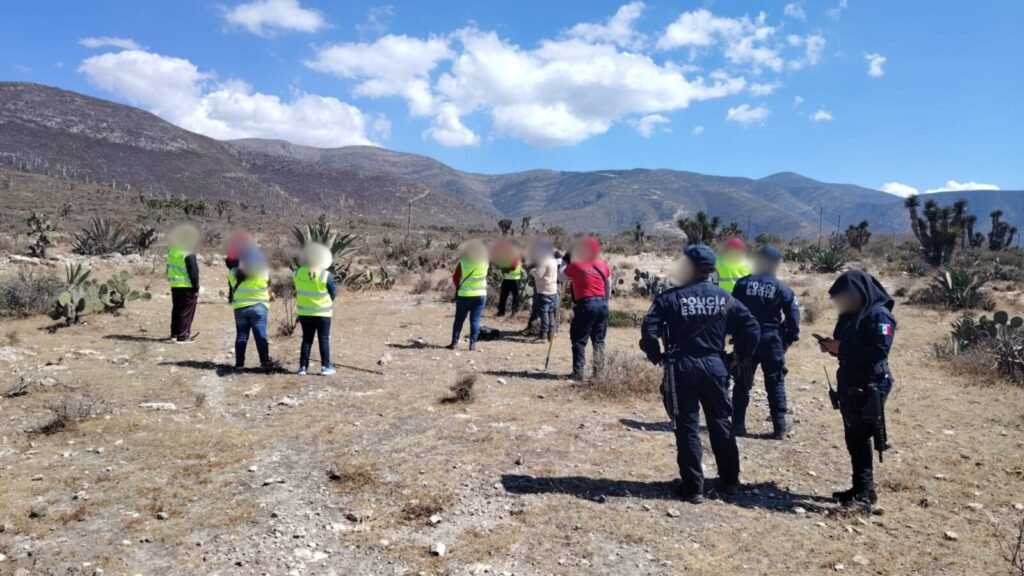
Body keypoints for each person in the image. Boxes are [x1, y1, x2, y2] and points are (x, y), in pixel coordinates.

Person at [640, 244, 760, 504]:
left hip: (681, 366)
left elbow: (648, 331)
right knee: (720, 422)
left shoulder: (669, 298)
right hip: (716, 366)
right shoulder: (726, 299)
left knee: (687, 426)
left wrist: (655, 355)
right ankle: (729, 481)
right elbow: (751, 327)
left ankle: (693, 487)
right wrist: (738, 356)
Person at [817, 270, 896, 507]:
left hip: (870, 382)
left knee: (860, 435)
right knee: (854, 436)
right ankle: (861, 488)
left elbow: (879, 351)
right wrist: (833, 348)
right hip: (851, 379)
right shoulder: (852, 316)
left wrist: (843, 348)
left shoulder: (879, 315)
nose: (841, 304)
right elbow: (850, 345)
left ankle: (864, 492)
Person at [730, 245, 801, 438]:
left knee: (742, 382)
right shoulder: (782, 288)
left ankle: (737, 425)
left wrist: (732, 334)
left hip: (746, 338)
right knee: (775, 382)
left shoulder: (742, 284)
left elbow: (731, 311)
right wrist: (787, 339)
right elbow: (793, 318)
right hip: (772, 340)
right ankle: (779, 427)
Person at [560, 237, 611, 381]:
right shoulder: (603, 265)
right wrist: (605, 302)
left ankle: (578, 373)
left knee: (578, 339)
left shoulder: (576, 265)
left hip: (586, 305)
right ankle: (598, 373)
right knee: (599, 340)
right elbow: (609, 285)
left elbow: (560, 277)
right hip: (602, 304)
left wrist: (565, 261)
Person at [293, 243, 337, 376]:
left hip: (304, 313)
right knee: (323, 339)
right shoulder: (325, 275)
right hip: (323, 312)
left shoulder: (296, 274)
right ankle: (325, 366)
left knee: (306, 339)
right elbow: (333, 293)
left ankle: (303, 367)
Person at [228, 246, 272, 370]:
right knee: (260, 335)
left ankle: (239, 364)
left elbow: (232, 285)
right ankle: (265, 363)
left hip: (240, 307)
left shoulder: (233, 272)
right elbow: (268, 283)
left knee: (241, 335)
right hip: (259, 306)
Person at [448, 240, 489, 351]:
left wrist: (459, 286)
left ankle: (454, 343)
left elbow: (456, 277)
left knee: (459, 320)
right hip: (481, 295)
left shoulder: (464, 262)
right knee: (475, 320)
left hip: (465, 294)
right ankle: (472, 344)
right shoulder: (485, 262)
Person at [166, 224, 201, 343]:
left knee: (177, 309)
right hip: (186, 284)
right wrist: (196, 287)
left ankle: (174, 333)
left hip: (175, 284)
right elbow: (193, 271)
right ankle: (183, 335)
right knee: (186, 311)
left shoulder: (173, 249)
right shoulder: (187, 250)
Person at [527, 240, 559, 341]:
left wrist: (532, 272)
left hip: (544, 290)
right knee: (550, 313)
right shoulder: (553, 260)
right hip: (553, 289)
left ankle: (543, 335)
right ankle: (550, 334)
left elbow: (539, 274)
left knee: (544, 313)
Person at [495, 243, 523, 317]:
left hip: (511, 280)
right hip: (512, 280)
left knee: (506, 297)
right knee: (511, 297)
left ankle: (505, 312)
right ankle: (509, 312)